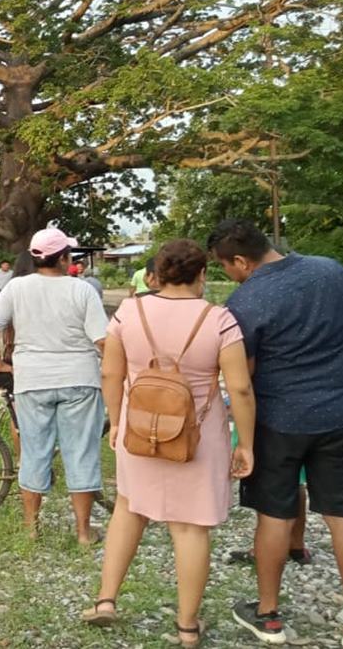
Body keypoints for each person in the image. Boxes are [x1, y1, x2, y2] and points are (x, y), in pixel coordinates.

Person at [81, 239, 256, 647]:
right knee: (190, 527)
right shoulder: (219, 319)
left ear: (155, 274)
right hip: (197, 437)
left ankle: (106, 601)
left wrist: (117, 423)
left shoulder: (129, 311)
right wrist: (244, 442)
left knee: (128, 508)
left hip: (138, 428)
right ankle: (187, 627)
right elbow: (241, 389)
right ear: (202, 275)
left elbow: (110, 374)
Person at [205, 219, 343, 647]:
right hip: (341, 414)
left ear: (241, 261)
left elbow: (243, 376)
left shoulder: (245, 301)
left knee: (275, 513)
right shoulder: (331, 270)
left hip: (279, 421)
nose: (227, 275)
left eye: (225, 267)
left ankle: (268, 614)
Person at [0, 227, 108, 545]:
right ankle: (83, 532)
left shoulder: (16, 288)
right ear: (64, 258)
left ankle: (31, 529)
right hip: (79, 380)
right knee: (81, 453)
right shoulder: (83, 291)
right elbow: (103, 341)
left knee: (35, 453)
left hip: (32, 381)